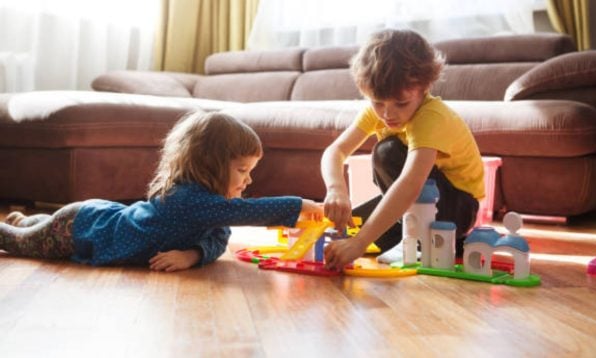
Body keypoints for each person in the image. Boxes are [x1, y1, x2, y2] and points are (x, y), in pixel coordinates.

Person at [1, 111, 323, 272]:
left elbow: (219, 238)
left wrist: (192, 254)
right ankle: (21, 226)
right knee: (17, 246)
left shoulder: (213, 209)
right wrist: (305, 204)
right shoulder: (188, 199)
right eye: (242, 171)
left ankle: (27, 220)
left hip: (96, 218)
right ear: (209, 164)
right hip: (83, 227)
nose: (249, 181)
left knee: (36, 233)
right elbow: (245, 214)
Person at [322, 29, 484, 270]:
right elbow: (335, 151)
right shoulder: (380, 110)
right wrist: (336, 189)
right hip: (419, 203)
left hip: (456, 207)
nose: (388, 113)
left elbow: (410, 183)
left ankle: (430, 238)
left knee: (386, 152)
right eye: (378, 102)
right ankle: (439, 244)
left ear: (424, 88)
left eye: (401, 103)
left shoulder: (431, 117)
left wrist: (358, 244)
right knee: (354, 225)